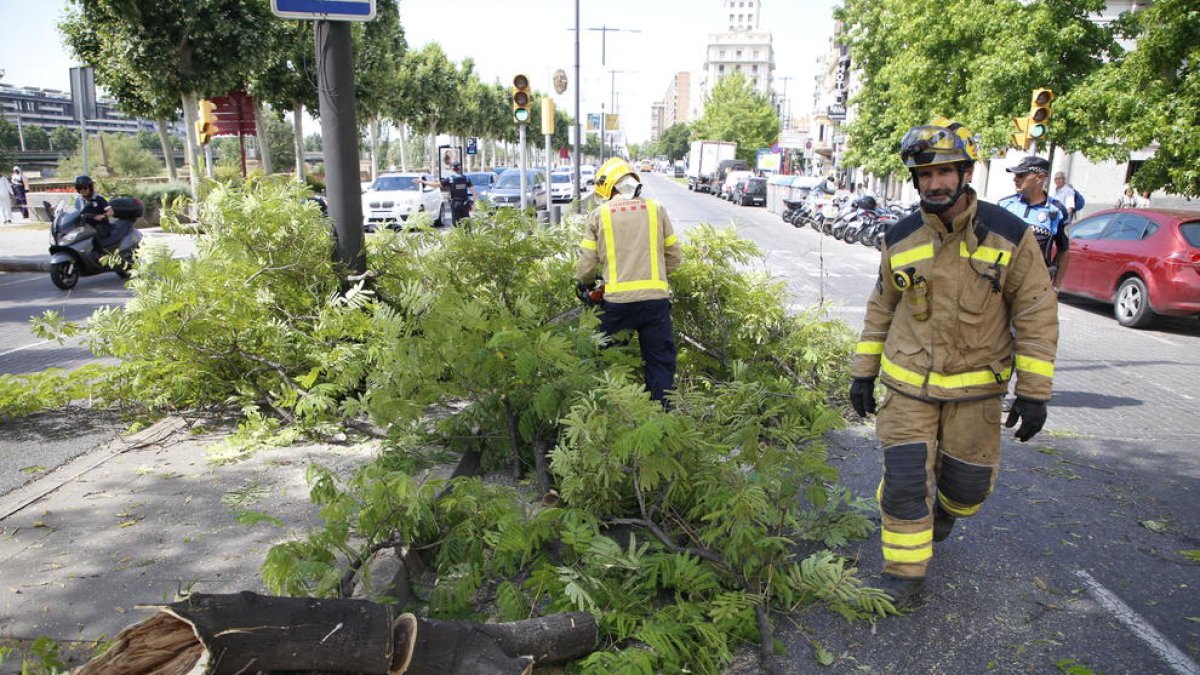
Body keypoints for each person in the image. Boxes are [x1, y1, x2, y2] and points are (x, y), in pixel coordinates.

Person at [849, 119, 1059, 607]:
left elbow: (1035, 312)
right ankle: (904, 576)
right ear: (916, 180)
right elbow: (881, 307)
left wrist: (1034, 391)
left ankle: (942, 509)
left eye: (945, 172)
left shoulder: (1008, 235)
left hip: (976, 392)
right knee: (903, 483)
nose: (935, 183)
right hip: (908, 389)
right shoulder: (899, 238)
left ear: (965, 173)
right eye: (925, 174)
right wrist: (863, 374)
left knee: (966, 491)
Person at [576, 157, 683, 405]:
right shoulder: (657, 209)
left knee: (609, 362)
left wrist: (589, 286)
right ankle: (662, 421)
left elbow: (586, 268)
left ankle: (614, 414)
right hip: (655, 303)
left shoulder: (599, 215)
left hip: (617, 305)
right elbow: (674, 258)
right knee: (660, 364)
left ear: (608, 188)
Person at [998, 156, 1069, 279]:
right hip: (1002, 281)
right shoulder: (1004, 205)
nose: (1015, 179)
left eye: (1021, 175)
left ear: (1040, 178)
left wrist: (1056, 287)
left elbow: (1064, 250)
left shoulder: (1057, 211)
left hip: (1035, 286)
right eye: (1015, 175)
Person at [420, 162, 475, 227]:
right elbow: (474, 192)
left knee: (456, 224)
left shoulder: (450, 179)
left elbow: (436, 185)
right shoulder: (466, 178)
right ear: (460, 169)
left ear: (452, 169)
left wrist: (423, 182)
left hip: (455, 204)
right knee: (466, 224)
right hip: (465, 204)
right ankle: (468, 236)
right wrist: (473, 204)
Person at [74, 175, 114, 242]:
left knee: (93, 239)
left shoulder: (98, 198)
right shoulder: (78, 200)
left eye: (84, 187)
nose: (82, 190)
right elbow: (75, 213)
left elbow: (111, 212)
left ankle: (101, 252)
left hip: (100, 226)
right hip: (85, 227)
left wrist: (102, 216)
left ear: (90, 187)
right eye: (79, 188)